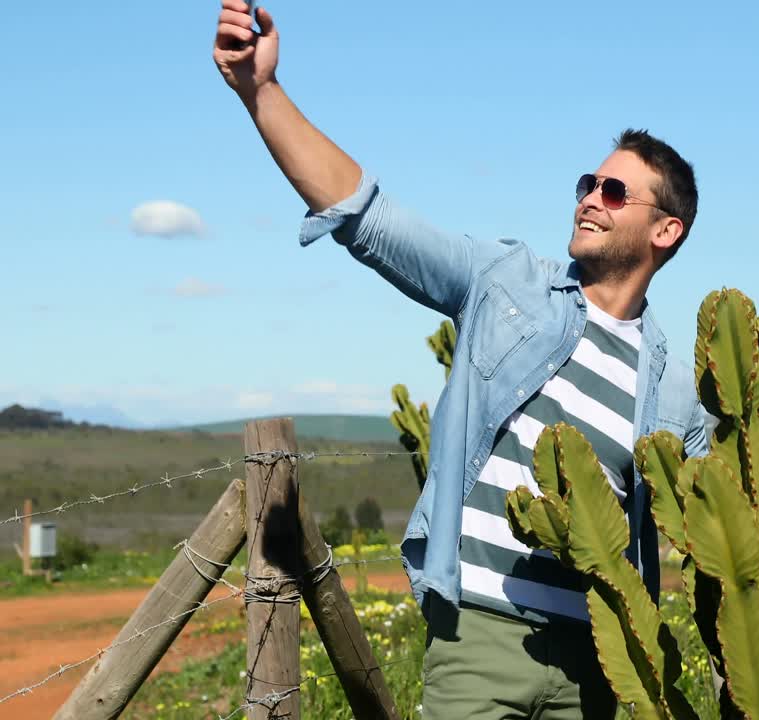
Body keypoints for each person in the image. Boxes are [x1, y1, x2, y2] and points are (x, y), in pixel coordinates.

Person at [212, 3, 709, 717]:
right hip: (477, 638)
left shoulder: (673, 394)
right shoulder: (507, 284)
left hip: (597, 669)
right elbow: (368, 216)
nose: (588, 201)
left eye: (613, 192)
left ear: (666, 229)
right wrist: (261, 92)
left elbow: (707, 528)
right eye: (586, 185)